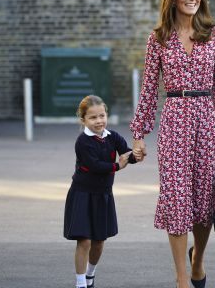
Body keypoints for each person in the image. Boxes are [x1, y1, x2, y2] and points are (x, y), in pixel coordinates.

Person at [129, 0, 215, 288]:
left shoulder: (213, 34)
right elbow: (150, 89)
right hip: (174, 119)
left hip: (205, 119)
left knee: (204, 201)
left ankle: (198, 261)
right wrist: (139, 132)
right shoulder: (159, 38)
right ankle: (181, 279)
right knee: (177, 198)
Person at [63, 95, 136, 288]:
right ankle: (80, 284)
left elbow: (126, 153)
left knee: (99, 241)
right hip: (82, 194)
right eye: (93, 117)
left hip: (103, 195)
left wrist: (136, 155)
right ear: (83, 120)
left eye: (102, 116)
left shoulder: (113, 137)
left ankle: (90, 275)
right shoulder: (83, 142)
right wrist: (117, 166)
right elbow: (95, 165)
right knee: (84, 240)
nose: (99, 121)